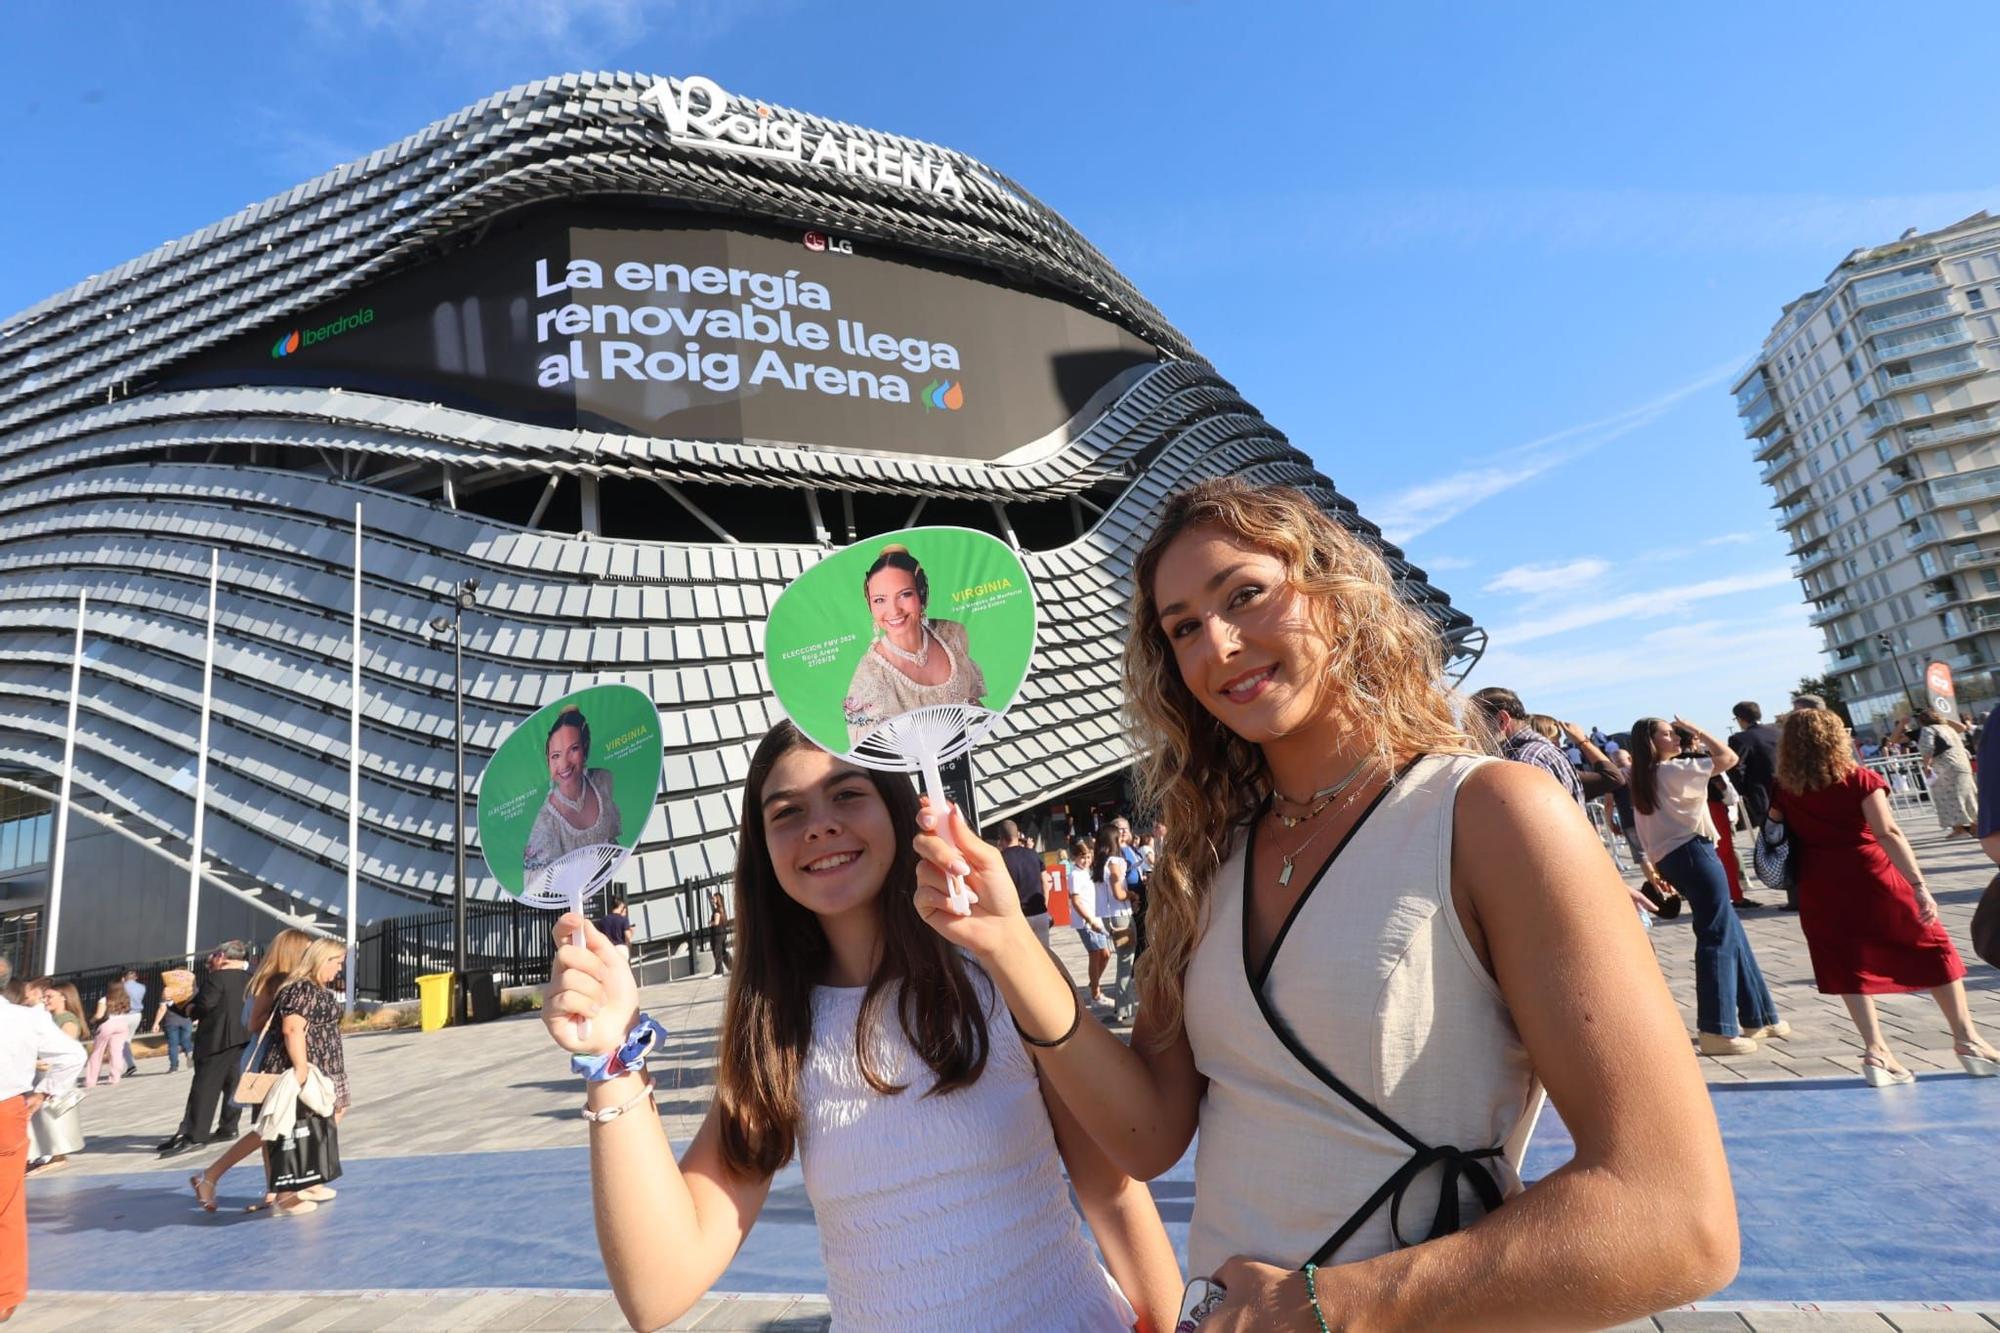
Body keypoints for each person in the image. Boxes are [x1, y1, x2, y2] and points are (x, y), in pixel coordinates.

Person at [907, 478, 1738, 1328]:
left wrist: (1323, 1305)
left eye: (1246, 595)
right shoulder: (1204, 858)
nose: (1218, 644)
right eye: (1183, 626)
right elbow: (1145, 1136)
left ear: (1336, 594)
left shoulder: (1490, 814)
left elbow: (1678, 1216)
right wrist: (1008, 944)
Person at [539, 721, 1182, 1332]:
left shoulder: (998, 971)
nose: (820, 826)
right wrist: (612, 1056)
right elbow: (658, 1287)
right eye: (787, 812)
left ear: (898, 808)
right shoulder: (777, 1035)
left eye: (848, 794)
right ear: (764, 850)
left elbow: (1114, 1195)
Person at [1772, 707, 1999, 1084]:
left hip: (1818, 883)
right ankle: (1967, 1039)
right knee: (1934, 947)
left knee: (1848, 963)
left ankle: (1876, 1051)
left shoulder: (1785, 786)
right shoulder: (1860, 779)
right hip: (1873, 876)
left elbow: (1777, 832)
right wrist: (1918, 885)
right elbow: (1888, 833)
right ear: (1834, 738)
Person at [1630, 715, 1785, 1056]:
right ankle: (1717, 1028)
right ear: (1650, 742)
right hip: (1693, 851)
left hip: (1673, 857)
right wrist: (1699, 731)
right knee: (1717, 934)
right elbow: (1728, 758)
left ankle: (1759, 1015)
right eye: (1668, 734)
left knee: (1728, 929)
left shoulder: (1643, 777)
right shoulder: (1671, 771)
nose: (1676, 738)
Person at [188, 930, 316, 1209]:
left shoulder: (275, 982)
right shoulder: (272, 983)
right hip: (270, 1060)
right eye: (305, 951)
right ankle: (210, 1176)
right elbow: (255, 1023)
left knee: (272, 1125)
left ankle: (273, 1188)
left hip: (270, 1059)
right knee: (269, 1126)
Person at [0, 957, 85, 1320]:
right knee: (7, 1207)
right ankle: (5, 1293)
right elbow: (72, 1055)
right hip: (7, 1109)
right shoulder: (25, 1018)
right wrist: (44, 1093)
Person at [841, 544, 989, 738]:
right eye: (879, 600)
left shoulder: (953, 634)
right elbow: (870, 750)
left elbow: (974, 704)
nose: (894, 611)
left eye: (904, 594)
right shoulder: (870, 676)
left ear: (922, 595)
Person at [253, 938, 351, 1217]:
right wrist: (301, 1068)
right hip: (307, 1068)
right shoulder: (302, 989)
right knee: (288, 1129)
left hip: (322, 1066)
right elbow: (292, 1029)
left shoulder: (312, 988)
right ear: (324, 960)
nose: (339, 970)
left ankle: (300, 1186)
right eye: (337, 963)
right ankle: (284, 1195)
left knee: (311, 1126)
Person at [158, 941, 253, 1158]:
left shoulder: (217, 978)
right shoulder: (249, 977)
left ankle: (195, 1136)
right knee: (233, 1085)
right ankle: (228, 1127)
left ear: (222, 956)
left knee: (205, 1088)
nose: (210, 960)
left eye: (214, 955)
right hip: (242, 1037)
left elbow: (203, 1007)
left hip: (216, 1041)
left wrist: (177, 1003)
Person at [522, 707, 622, 874]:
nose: (564, 764)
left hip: (608, 885)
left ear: (585, 748)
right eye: (556, 756)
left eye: (573, 749)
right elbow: (537, 883)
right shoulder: (546, 821)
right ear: (548, 761)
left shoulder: (603, 779)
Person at [1467, 686, 1587, 806]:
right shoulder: (1543, 751)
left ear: (1502, 720)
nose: (1467, 732)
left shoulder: (1522, 762)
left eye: (1473, 723)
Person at [27, 981, 85, 1174]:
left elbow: (65, 1047)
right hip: (47, 1073)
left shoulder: (67, 1019)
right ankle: (49, 1154)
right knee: (44, 1116)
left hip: (56, 1075)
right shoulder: (50, 1018)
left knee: (54, 1115)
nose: (46, 1000)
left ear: (64, 997)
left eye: (50, 996)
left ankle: (58, 1156)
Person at [1894, 709, 1977, 839]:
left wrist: (1926, 766)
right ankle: (1974, 826)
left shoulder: (1927, 730)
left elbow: (1928, 748)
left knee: (1949, 798)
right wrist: (1942, 718)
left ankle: (1961, 829)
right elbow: (1962, 727)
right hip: (1961, 764)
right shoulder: (1947, 728)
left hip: (1945, 768)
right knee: (1967, 795)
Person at [1067, 838, 1112, 1006]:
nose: (1086, 860)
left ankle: (1095, 984)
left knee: (1105, 954)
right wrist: (1089, 919)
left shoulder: (1087, 872)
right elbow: (1076, 901)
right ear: (1074, 857)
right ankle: (1095, 994)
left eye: (1088, 856)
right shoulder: (1075, 875)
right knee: (1096, 954)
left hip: (1096, 918)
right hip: (1086, 921)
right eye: (1082, 857)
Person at [995, 819, 1053, 950]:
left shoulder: (1001, 859)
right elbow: (1045, 881)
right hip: (1039, 913)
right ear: (1017, 835)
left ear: (1001, 838)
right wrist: (1045, 906)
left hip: (1018, 917)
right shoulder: (1033, 854)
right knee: (1046, 955)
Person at [1727, 702, 1782, 831]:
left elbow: (1735, 766)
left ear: (1740, 719)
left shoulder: (1740, 739)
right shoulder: (1778, 732)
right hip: (1789, 789)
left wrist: (1743, 790)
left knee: (1773, 834)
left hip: (1762, 795)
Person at [82, 986, 138, 1087]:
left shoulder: (104, 999)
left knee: (97, 1053)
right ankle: (115, 1078)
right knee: (116, 1053)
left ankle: (91, 1080)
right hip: (122, 1024)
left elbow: (99, 1015)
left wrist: (91, 1021)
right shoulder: (124, 1000)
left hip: (108, 1024)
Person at [706, 888, 733, 976]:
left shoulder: (717, 911)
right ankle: (732, 967)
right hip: (722, 933)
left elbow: (716, 922)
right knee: (723, 952)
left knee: (717, 952)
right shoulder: (722, 910)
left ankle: (719, 971)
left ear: (717, 900)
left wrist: (711, 923)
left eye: (713, 898)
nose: (712, 900)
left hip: (717, 934)